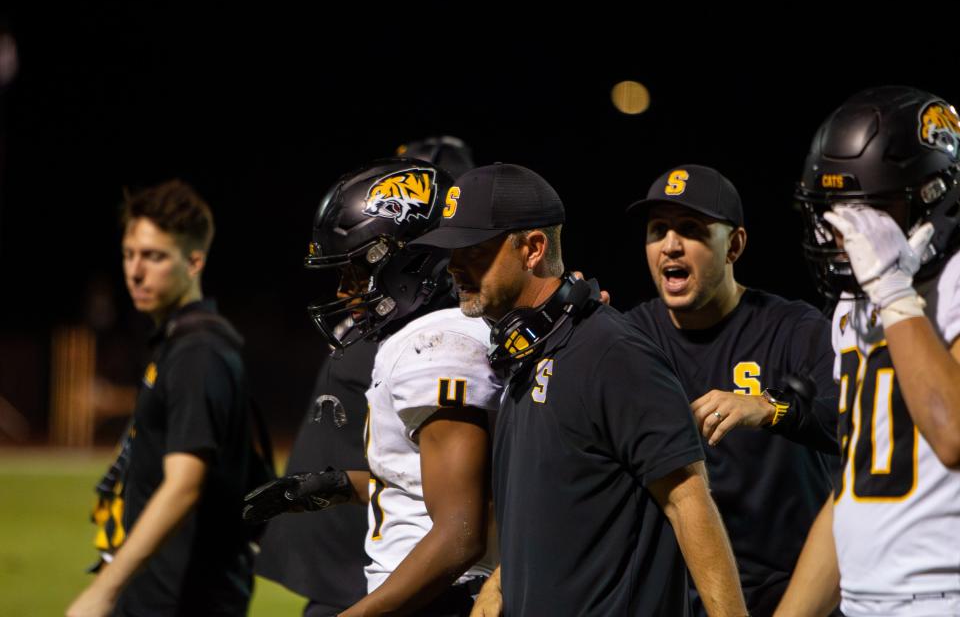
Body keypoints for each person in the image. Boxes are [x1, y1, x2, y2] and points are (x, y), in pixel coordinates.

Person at [410, 162, 747, 616]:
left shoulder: (612, 353)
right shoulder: (527, 353)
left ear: (532, 249)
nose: (454, 266)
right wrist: (502, 581)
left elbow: (689, 502)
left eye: (472, 249)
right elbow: (563, 507)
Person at [244, 157, 502, 616]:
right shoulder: (439, 334)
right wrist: (341, 484)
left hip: (437, 598)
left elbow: (460, 535)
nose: (346, 291)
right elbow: (435, 483)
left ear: (411, 258)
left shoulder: (436, 345)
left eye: (357, 270)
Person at [777, 85, 960, 617]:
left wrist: (896, 295)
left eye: (872, 210)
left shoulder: (936, 285)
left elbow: (952, 434)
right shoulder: (855, 302)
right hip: (862, 598)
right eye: (837, 211)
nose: (850, 234)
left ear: (935, 196)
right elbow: (859, 485)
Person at [623, 164, 839, 616]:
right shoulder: (629, 338)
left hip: (791, 592)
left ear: (734, 246)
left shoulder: (793, 328)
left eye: (691, 229)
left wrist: (771, 407)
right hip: (678, 595)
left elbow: (858, 427)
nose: (671, 245)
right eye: (657, 229)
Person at [67, 180, 256, 617]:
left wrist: (105, 591)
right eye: (129, 254)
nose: (135, 271)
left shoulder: (198, 352)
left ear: (194, 261)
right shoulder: (178, 343)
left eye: (154, 257)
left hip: (183, 601)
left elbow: (184, 483)